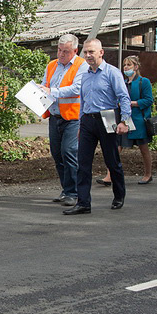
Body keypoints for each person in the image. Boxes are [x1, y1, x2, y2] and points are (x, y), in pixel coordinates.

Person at [44, 38, 130, 214]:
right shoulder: (85, 75)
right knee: (83, 162)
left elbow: (124, 97)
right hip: (87, 120)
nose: (88, 55)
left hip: (107, 117)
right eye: (86, 52)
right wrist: (81, 122)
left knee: (112, 160)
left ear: (101, 52)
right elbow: (82, 100)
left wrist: (125, 121)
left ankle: (119, 195)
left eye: (92, 52)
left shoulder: (112, 73)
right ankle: (83, 202)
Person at [42, 34, 85, 207]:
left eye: (65, 51)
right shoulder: (52, 65)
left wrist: (52, 91)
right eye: (59, 50)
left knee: (69, 152)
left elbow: (76, 88)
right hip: (55, 116)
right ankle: (66, 189)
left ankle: (73, 192)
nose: (61, 54)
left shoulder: (81, 65)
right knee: (57, 153)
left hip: (73, 117)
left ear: (74, 51)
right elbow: (45, 85)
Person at [98, 55, 153, 185]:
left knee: (143, 148)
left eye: (129, 65)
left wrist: (131, 103)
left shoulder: (143, 82)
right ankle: (109, 176)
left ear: (136, 67)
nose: (126, 68)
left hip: (138, 120)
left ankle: (148, 174)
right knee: (117, 147)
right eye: (125, 65)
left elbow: (148, 100)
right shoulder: (121, 81)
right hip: (123, 119)